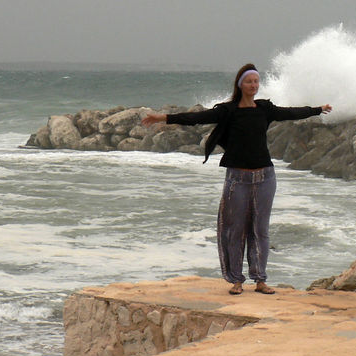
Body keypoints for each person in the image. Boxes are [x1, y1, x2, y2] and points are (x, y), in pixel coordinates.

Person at [142, 63, 332, 295]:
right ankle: (236, 280)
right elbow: (196, 118)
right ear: (240, 84)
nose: (254, 85)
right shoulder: (227, 110)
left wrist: (317, 109)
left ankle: (260, 279)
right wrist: (162, 117)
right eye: (249, 81)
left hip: (265, 177)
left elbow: (290, 113)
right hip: (237, 179)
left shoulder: (265, 108)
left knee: (260, 230)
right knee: (235, 230)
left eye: (256, 81)